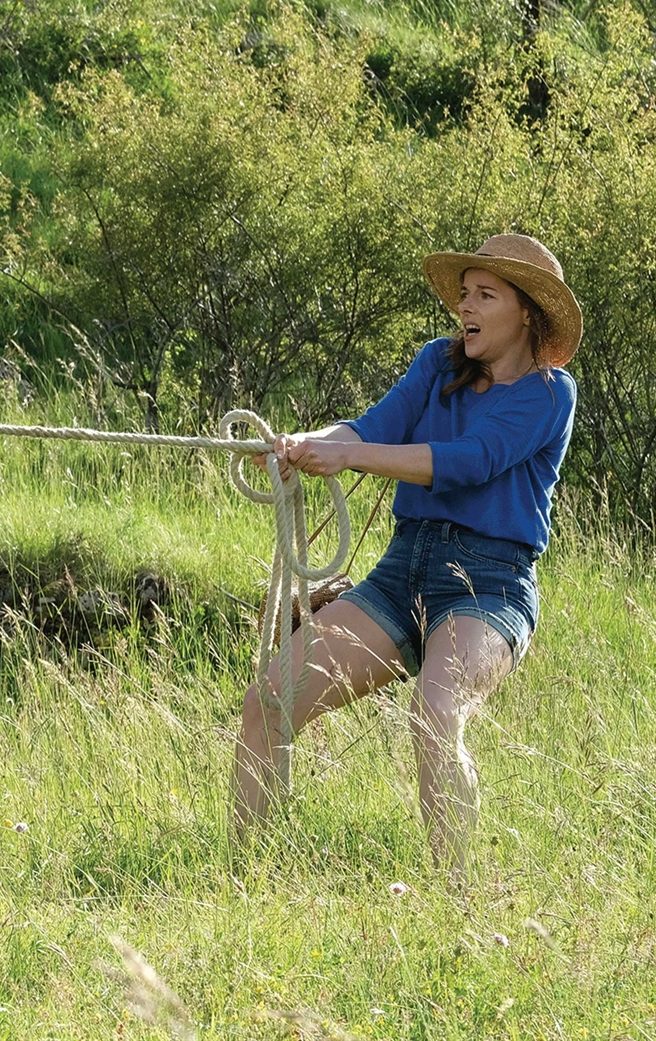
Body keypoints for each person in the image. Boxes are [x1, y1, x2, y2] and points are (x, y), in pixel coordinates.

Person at [231, 233, 580, 873]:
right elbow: (370, 429)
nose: (465, 308)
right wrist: (308, 443)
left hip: (489, 586)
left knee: (435, 713)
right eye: (464, 295)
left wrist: (348, 455)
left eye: (485, 295)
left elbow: (469, 462)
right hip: (401, 573)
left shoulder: (550, 393)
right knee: (269, 700)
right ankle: (246, 881)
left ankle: (458, 903)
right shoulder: (435, 365)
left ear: (526, 312)